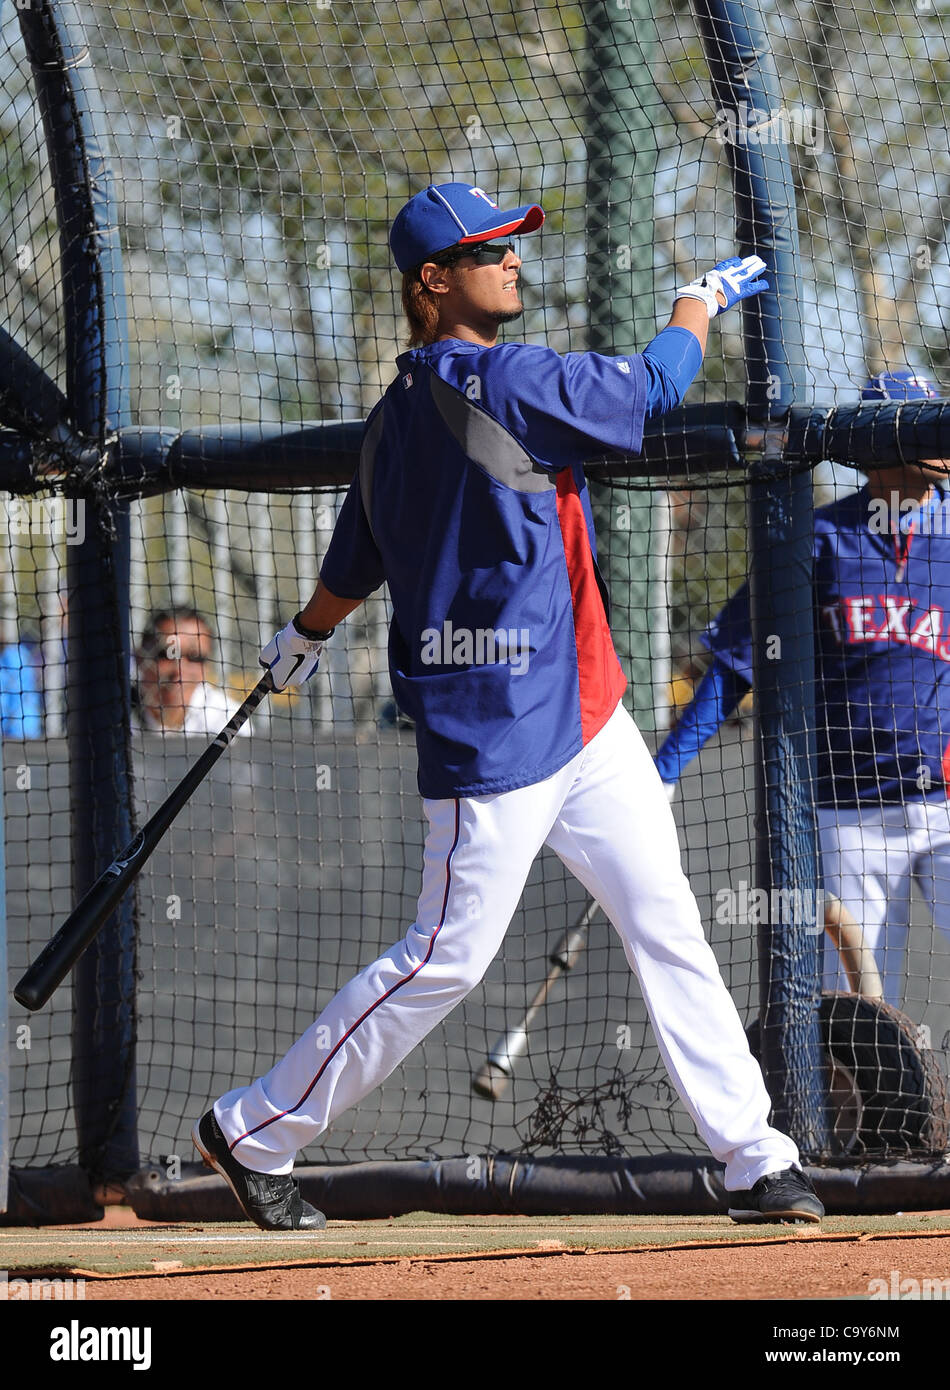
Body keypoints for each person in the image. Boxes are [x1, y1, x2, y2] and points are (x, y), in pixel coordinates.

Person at [192, 181, 823, 1230]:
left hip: (588, 715)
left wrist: (305, 631)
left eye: (512, 245)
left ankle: (755, 1157)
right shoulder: (496, 379)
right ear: (432, 282)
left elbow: (353, 558)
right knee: (441, 959)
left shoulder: (393, 415)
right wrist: (694, 304)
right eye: (489, 250)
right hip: (496, 737)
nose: (513, 260)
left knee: (664, 921)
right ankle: (253, 1128)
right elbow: (646, 388)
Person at [655, 370, 950, 1005]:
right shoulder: (817, 540)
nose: (942, 436)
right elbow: (738, 663)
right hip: (848, 810)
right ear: (877, 444)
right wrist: (665, 772)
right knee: (856, 1014)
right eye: (924, 424)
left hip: (946, 803)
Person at [133, 606, 249, 736]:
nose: (179, 671)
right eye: (166, 655)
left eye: (195, 657)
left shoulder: (228, 719)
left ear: (207, 665)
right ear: (139, 657)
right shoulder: (113, 713)